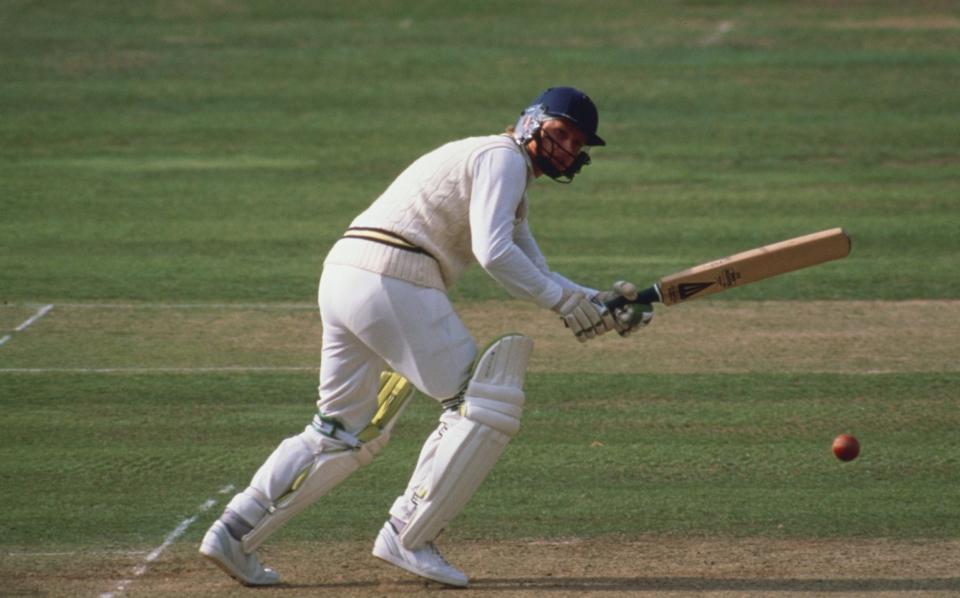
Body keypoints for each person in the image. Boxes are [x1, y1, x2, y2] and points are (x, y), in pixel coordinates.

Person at [199, 86, 654, 588]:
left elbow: (534, 268)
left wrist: (599, 304)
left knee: (341, 430)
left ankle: (234, 533)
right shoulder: (501, 159)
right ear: (531, 121)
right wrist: (567, 304)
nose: (567, 146)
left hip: (346, 276)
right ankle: (408, 535)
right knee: (482, 401)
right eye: (561, 131)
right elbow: (495, 253)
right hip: (395, 277)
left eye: (578, 141)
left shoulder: (498, 169)